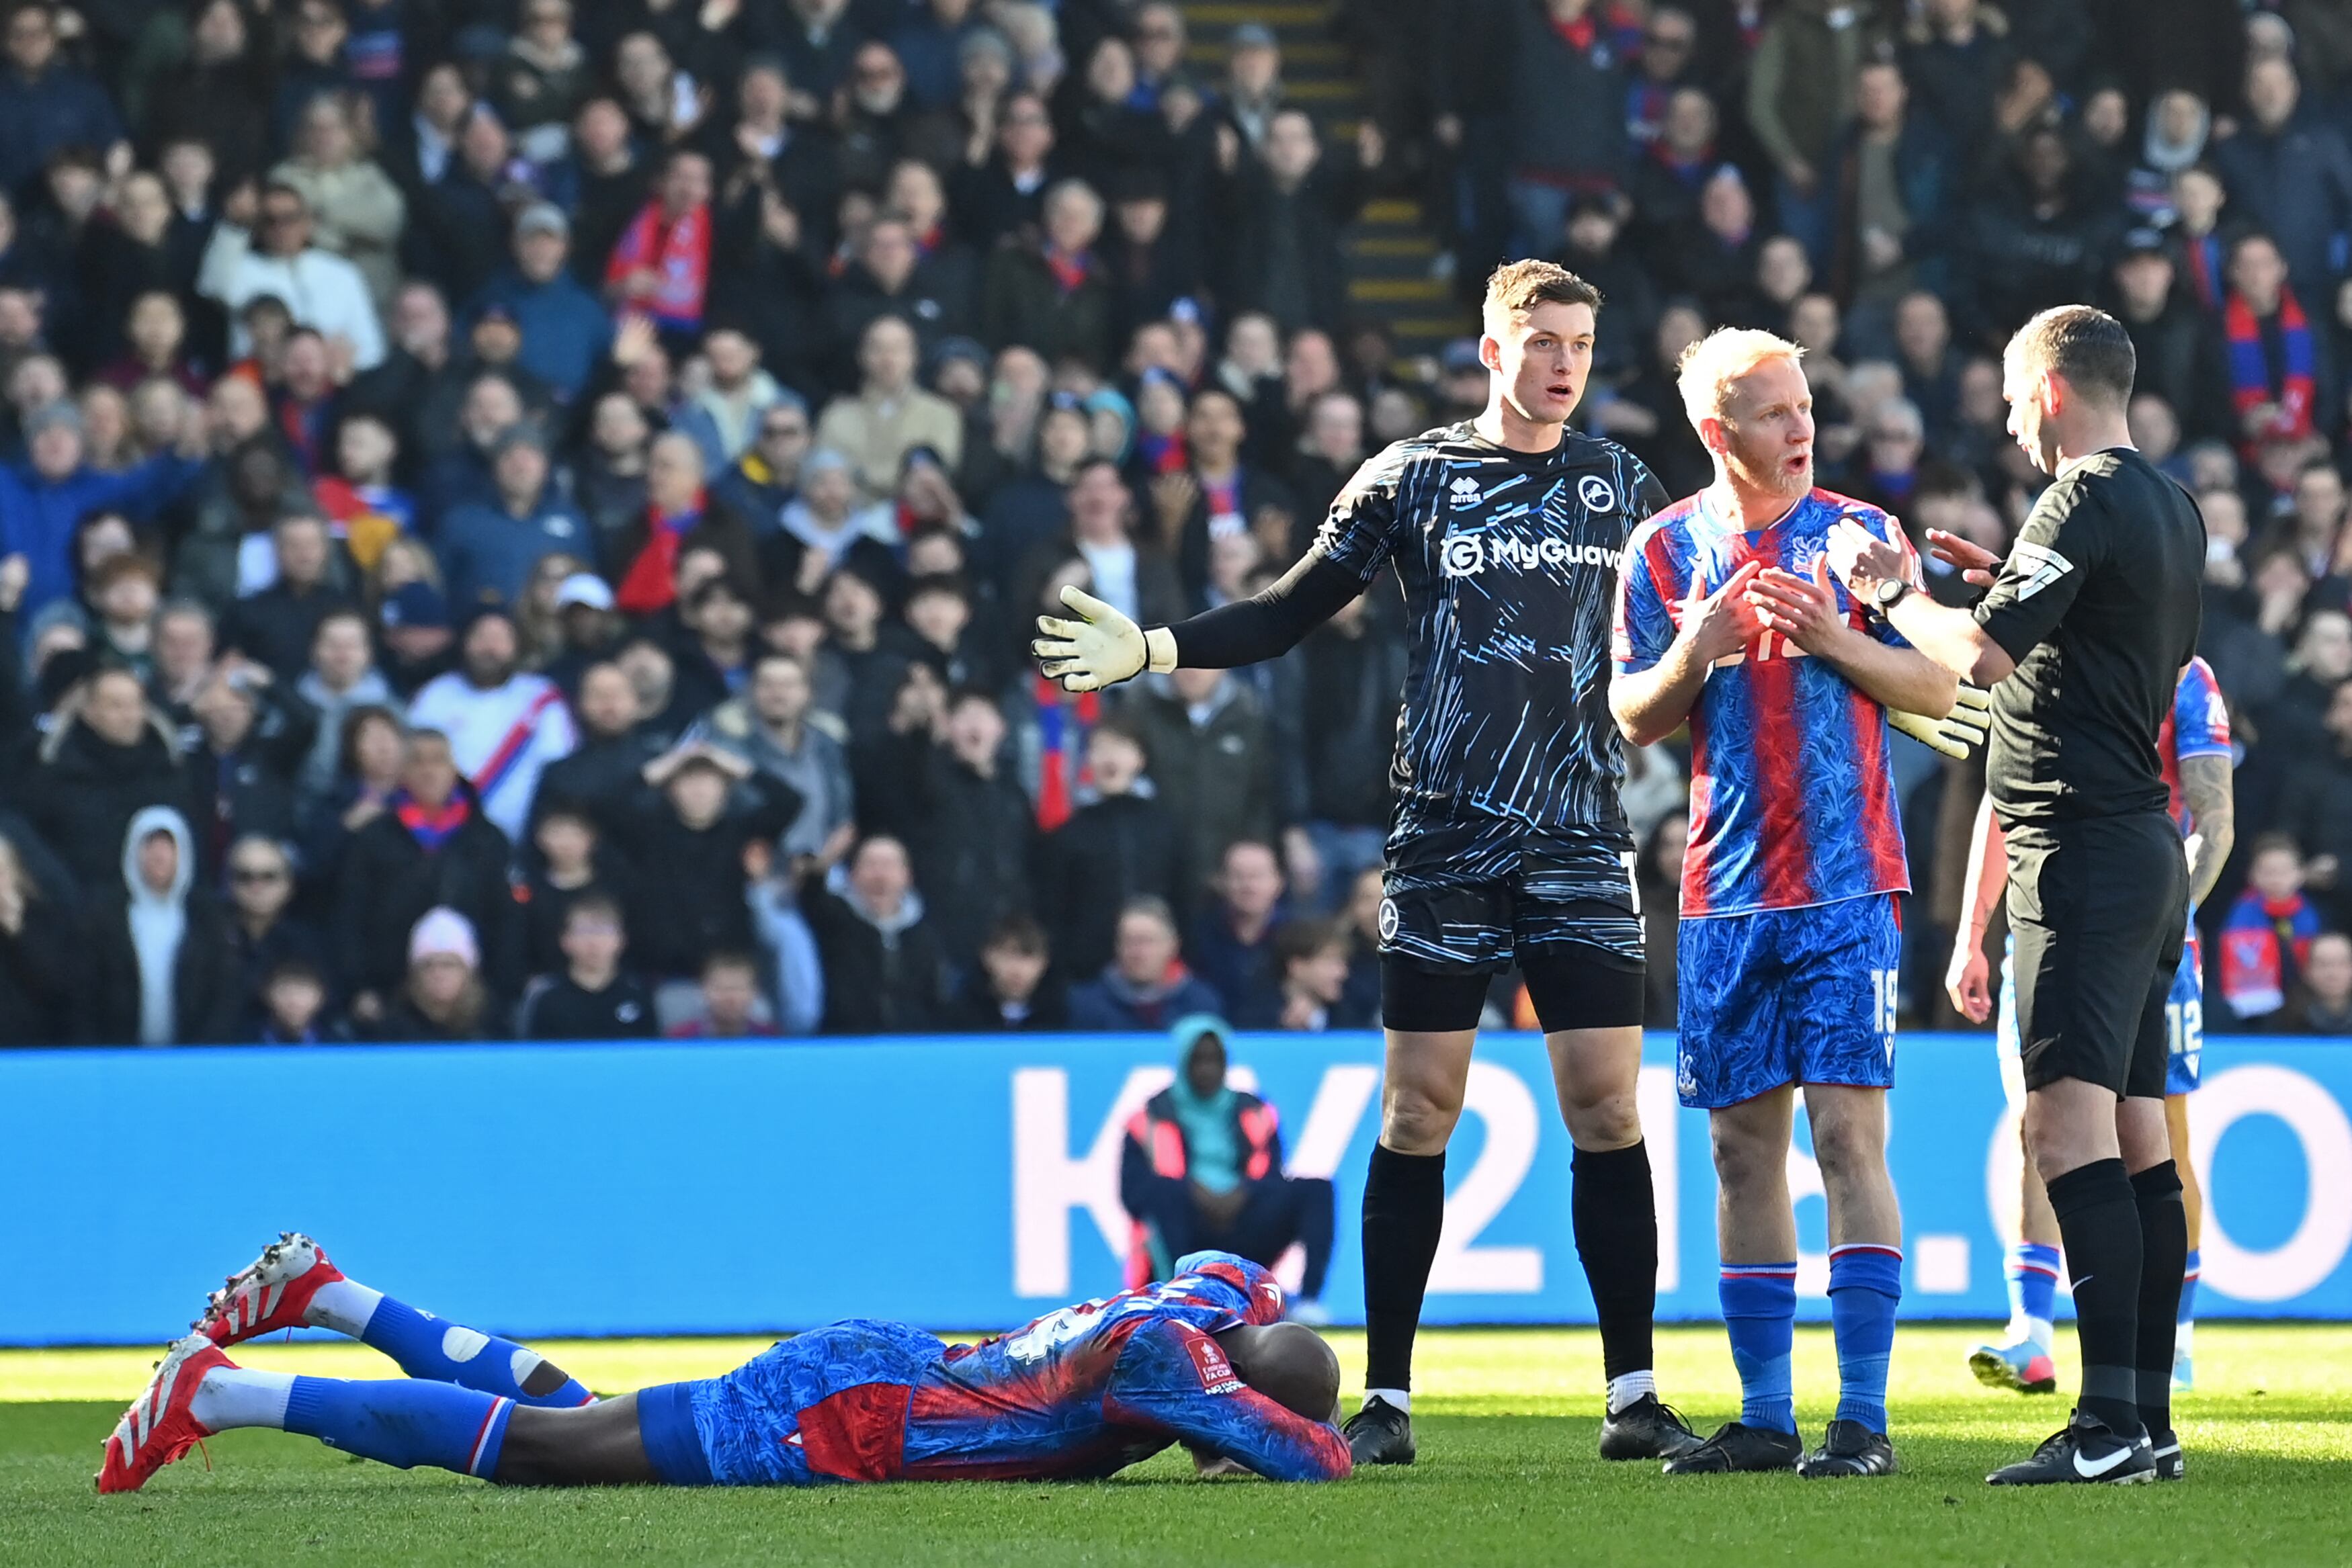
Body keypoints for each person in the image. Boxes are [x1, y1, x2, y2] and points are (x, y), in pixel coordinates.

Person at [1034, 260, 1699, 1465]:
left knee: (1607, 1108)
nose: (1564, 362)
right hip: (1444, 837)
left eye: (1583, 344)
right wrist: (1153, 647)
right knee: (1415, 1109)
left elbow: (1694, 620)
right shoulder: (1417, 476)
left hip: (1581, 836)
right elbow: (1292, 606)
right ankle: (1386, 1395)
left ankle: (1635, 1391)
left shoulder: (1624, 487)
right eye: (1542, 339)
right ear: (1492, 350)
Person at [1823, 305, 2206, 1487]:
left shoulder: (2081, 494)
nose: (2000, 419)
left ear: (2046, 389)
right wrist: (2008, 593)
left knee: (2062, 1127)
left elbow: (1973, 659)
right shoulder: (2172, 503)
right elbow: (2100, 639)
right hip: (2140, 844)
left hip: (2078, 846)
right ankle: (2145, 1420)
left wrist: (1889, 590)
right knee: (2140, 1137)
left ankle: (2100, 1424)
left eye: (2004, 394)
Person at [1611, 325, 1968, 1479]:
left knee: (1848, 1136)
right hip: (1722, 895)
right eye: (1773, 412)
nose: (1801, 425)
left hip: (1850, 880)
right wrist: (1697, 648)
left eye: (1804, 403)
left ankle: (1861, 1418)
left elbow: (1938, 679)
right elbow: (1630, 713)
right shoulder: (1663, 555)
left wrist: (1835, 638)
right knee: (1737, 1152)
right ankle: (1767, 1417)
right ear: (1717, 433)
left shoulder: (1862, 538)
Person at [103, 1237, 1347, 1494]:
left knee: (590, 1412)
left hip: (888, 1370)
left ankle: (331, 1293)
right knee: (553, 1453)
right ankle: (224, 1391)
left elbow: (1237, 1268)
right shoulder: (1170, 1360)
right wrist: (1320, 1420)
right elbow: (1310, 1459)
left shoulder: (1207, 1296)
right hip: (857, 1416)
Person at [1951, 656, 2235, 1399]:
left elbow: (2213, 814)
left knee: (2158, 1135)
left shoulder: (2182, 676)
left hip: (2145, 933)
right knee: (2034, 1123)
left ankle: (2170, 1338)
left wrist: (2166, 921)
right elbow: (1998, 802)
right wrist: (1969, 933)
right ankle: (2032, 1334)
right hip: (2042, 927)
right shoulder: (2028, 661)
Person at [1120, 1016, 1336, 1321]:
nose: (1207, 1069)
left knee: (1316, 1188)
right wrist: (1194, 1193)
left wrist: (1242, 1194)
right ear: (1182, 1064)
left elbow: (1273, 1176)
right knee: (1163, 1192)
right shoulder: (1148, 1117)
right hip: (1185, 1231)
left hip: (1245, 1223)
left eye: (1215, 1059)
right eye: (1198, 1060)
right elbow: (1133, 1194)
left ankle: (1309, 1303)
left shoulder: (1256, 1111)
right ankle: (1176, 1297)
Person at [406, 608, 578, 842]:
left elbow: (560, 767)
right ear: (465, 643)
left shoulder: (542, 698)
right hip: (446, 841)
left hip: (528, 842)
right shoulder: (435, 695)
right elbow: (412, 762)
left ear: (516, 646)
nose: (490, 648)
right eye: (482, 638)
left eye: (500, 639)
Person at [79, 805, 240, 1046]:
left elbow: (223, 997)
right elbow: (85, 998)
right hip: (116, 1061)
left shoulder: (208, 922)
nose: (159, 855)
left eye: (168, 845)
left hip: (193, 1062)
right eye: (149, 845)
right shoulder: (103, 923)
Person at [1068, 896, 1224, 1032]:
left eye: (1147, 942)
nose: (1138, 953)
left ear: (1173, 945)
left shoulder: (1200, 1005)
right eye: (1129, 941)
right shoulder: (1087, 1006)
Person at [517, 893, 655, 1041]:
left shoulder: (637, 993)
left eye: (603, 931)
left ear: (621, 939)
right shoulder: (547, 996)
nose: (593, 942)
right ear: (565, 940)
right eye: (584, 931)